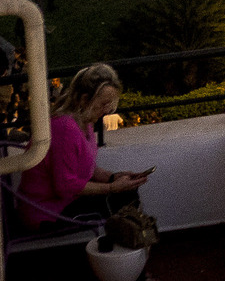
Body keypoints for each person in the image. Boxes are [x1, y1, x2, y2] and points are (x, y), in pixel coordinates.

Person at [11, 63, 150, 231]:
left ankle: (120, 251)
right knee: (122, 200)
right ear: (85, 99)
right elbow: (65, 187)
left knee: (126, 194)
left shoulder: (84, 121)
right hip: (46, 212)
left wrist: (114, 177)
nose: (107, 110)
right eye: (104, 104)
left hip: (61, 203)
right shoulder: (65, 128)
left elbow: (86, 167)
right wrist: (112, 188)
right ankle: (118, 251)